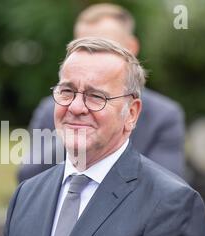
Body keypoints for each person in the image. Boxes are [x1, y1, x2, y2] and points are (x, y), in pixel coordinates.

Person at [0, 38, 205, 236]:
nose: (75, 107)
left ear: (131, 113)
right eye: (67, 92)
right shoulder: (27, 196)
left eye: (96, 96)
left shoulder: (172, 203)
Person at [17, 3, 185, 183]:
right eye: (83, 47)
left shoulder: (163, 116)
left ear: (132, 47)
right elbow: (28, 178)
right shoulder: (52, 108)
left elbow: (166, 186)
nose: (92, 57)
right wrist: (73, 130)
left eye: (105, 47)